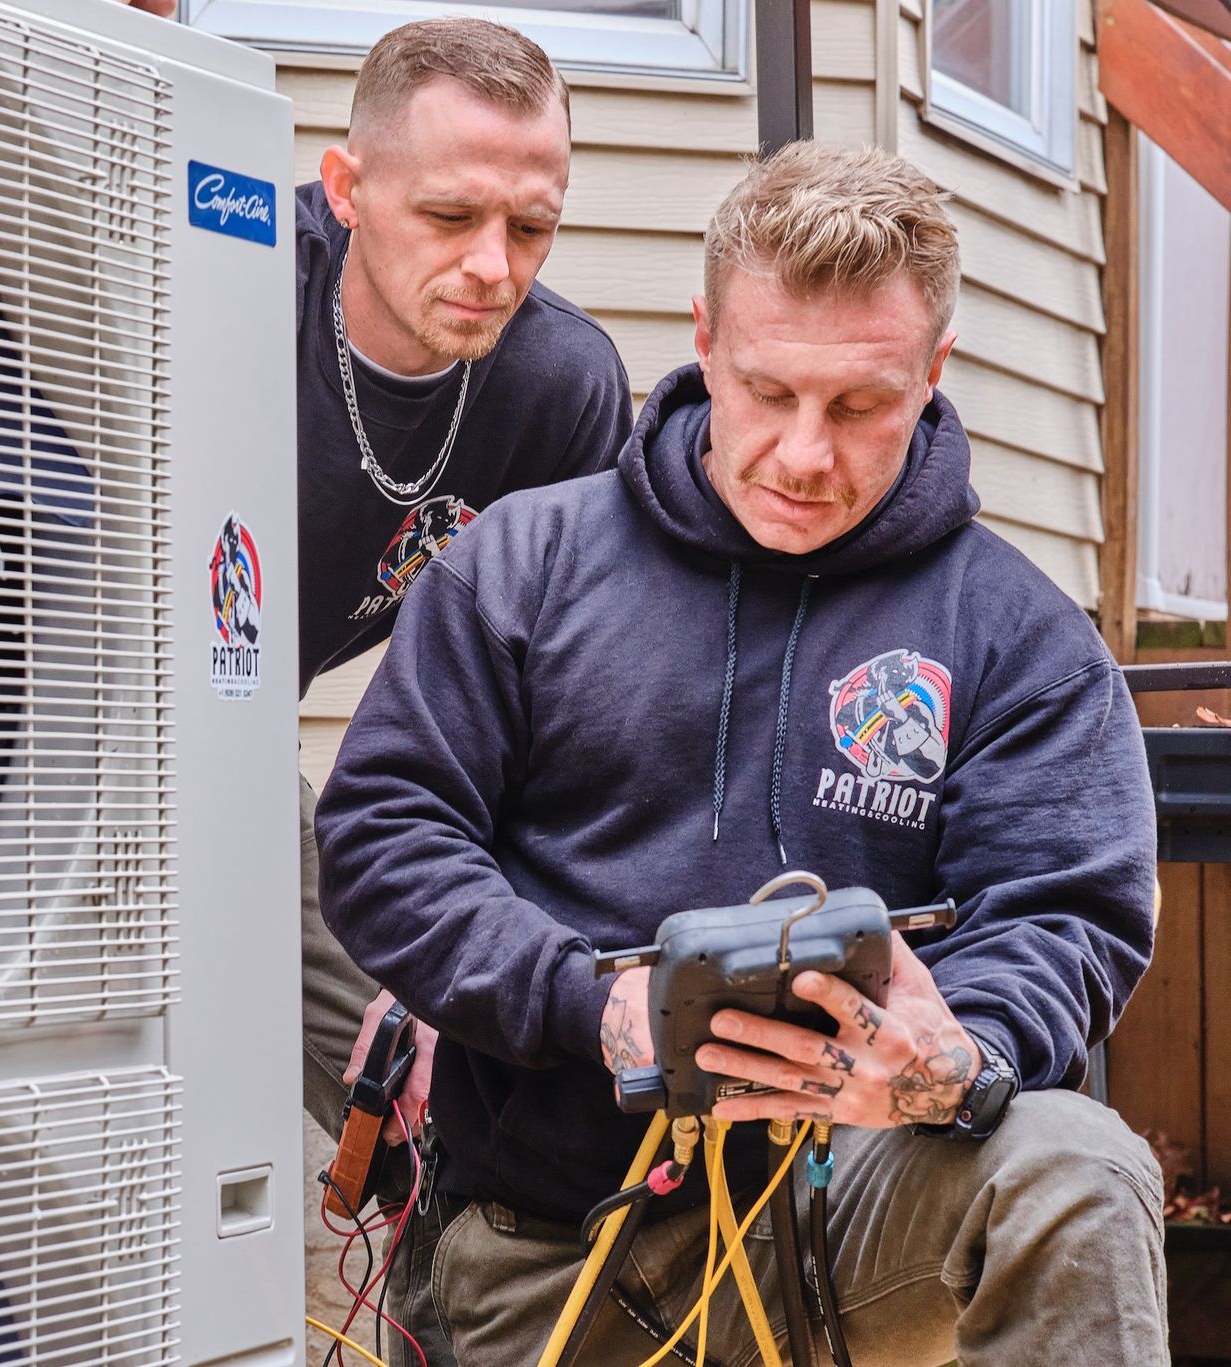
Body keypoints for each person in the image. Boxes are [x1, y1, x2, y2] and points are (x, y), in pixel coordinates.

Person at [316, 142, 1166, 1366]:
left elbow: (1068, 914)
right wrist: (588, 1001)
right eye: (768, 391)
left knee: (1079, 1170)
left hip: (855, 1216)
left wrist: (952, 1056)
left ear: (935, 371)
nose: (806, 455)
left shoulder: (1019, 635)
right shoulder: (523, 563)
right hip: (550, 1247)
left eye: (863, 403)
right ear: (705, 338)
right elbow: (386, 836)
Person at [118, 5, 634, 1150]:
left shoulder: (557, 386)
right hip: (46, 724)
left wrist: (461, 942)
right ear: (346, 188)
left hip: (241, 738)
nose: (492, 265)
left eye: (532, 227)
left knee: (426, 1084)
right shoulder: (223, 284)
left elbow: (552, 705)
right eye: (449, 214)